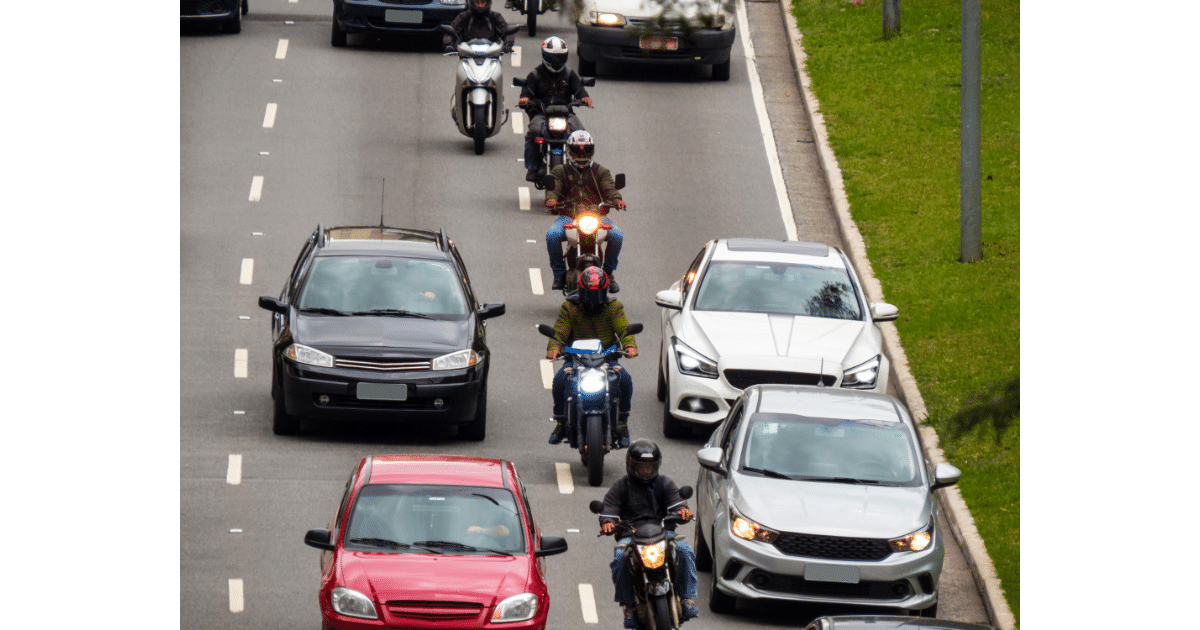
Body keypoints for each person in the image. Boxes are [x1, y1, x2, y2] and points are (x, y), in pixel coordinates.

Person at [597, 440, 700, 629]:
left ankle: (687, 598)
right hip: (631, 535)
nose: (645, 471)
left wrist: (683, 511)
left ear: (656, 466)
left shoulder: (664, 483)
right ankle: (628, 606)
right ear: (631, 465)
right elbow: (609, 510)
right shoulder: (620, 487)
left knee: (685, 550)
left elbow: (677, 501)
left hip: (663, 532)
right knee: (620, 558)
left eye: (649, 467)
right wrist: (609, 523)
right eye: (641, 467)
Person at [545, 267, 636, 446]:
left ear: (605, 291)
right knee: (559, 381)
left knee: (624, 379)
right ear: (581, 291)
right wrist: (554, 348)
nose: (593, 299)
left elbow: (624, 329)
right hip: (576, 360)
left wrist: (630, 345)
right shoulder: (569, 307)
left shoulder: (614, 308)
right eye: (589, 293)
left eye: (597, 293)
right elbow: (560, 331)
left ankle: (623, 422)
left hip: (607, 360)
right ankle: (561, 421)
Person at [544, 130, 626, 292]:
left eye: (586, 150)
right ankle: (559, 274)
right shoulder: (560, 171)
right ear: (570, 151)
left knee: (617, 235)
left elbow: (610, 189)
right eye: (577, 150)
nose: (582, 155)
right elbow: (553, 189)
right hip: (569, 217)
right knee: (552, 235)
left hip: (596, 217)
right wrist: (551, 200)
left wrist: (617, 199)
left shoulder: (600, 172)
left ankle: (609, 273)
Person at [519, 36, 593, 183]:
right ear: (545, 56)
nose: (556, 61)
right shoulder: (535, 75)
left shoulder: (569, 74)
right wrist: (525, 99)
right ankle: (533, 167)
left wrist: (585, 97)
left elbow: (579, 89)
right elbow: (527, 90)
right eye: (553, 57)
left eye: (560, 58)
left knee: (581, 134)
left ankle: (582, 166)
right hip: (542, 114)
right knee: (534, 132)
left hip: (566, 114)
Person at [443, 0, 514, 53]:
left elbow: (506, 30)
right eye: (477, 2)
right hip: (467, 55)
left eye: (483, 2)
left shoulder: (495, 16)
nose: (480, 5)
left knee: (498, 72)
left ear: (488, 3)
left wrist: (508, 44)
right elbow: (451, 30)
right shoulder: (463, 16)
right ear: (472, 3)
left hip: (491, 56)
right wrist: (449, 43)